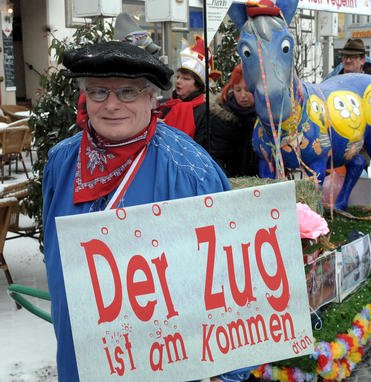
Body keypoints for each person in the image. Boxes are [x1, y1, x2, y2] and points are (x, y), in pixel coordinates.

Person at [43, 41, 250, 381]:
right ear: (84, 97)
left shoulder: (191, 171)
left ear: (152, 97)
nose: (111, 105)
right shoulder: (61, 162)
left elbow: (229, 285)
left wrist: (224, 373)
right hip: (81, 357)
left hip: (165, 362)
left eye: (127, 92)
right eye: (97, 92)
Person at [195, 64, 258, 177]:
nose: (243, 95)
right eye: (238, 90)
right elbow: (216, 157)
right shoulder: (220, 117)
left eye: (248, 90)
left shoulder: (267, 117)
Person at [158, 35, 220, 138]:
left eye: (185, 79)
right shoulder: (168, 105)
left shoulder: (206, 111)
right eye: (178, 77)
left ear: (198, 85)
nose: (178, 81)